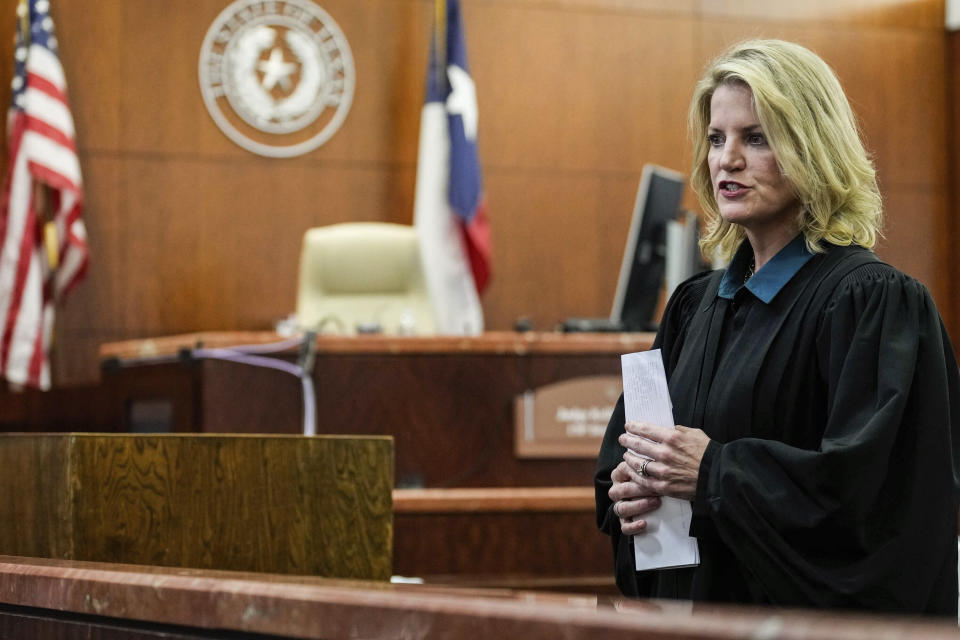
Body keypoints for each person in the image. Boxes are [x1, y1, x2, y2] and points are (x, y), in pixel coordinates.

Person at [594, 39, 960, 615]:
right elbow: (627, 456)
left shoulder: (873, 304)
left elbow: (877, 504)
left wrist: (715, 471)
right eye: (716, 139)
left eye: (755, 138)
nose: (726, 160)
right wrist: (629, 490)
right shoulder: (693, 307)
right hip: (691, 619)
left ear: (812, 148)